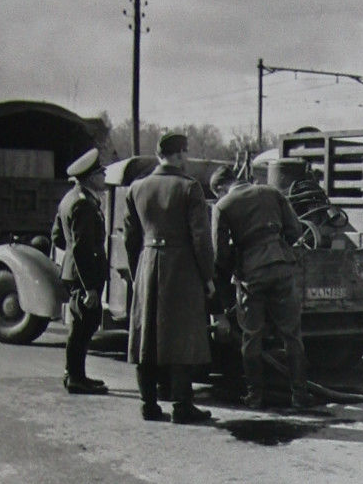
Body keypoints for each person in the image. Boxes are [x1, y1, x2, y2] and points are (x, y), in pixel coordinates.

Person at [124, 133, 215, 424]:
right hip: (182, 268)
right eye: (185, 154)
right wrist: (208, 275)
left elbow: (130, 238)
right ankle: (182, 406)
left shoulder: (136, 188)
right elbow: (201, 238)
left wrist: (137, 271)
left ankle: (147, 404)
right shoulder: (190, 188)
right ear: (179, 155)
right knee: (181, 335)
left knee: (146, 336)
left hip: (147, 264)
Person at [210, 165, 311, 411]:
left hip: (252, 275)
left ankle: (255, 396)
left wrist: (233, 267)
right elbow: (295, 230)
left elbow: (220, 255)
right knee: (292, 335)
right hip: (282, 267)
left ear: (221, 188)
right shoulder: (271, 192)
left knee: (251, 335)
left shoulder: (223, 206)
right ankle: (299, 395)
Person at [51, 148, 109, 395]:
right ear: (91, 176)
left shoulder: (70, 198)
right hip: (84, 276)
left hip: (75, 272)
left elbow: (57, 237)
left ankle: (76, 374)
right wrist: (89, 287)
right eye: (101, 173)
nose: (105, 176)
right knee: (82, 327)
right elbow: (82, 247)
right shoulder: (83, 204)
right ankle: (75, 377)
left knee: (82, 325)